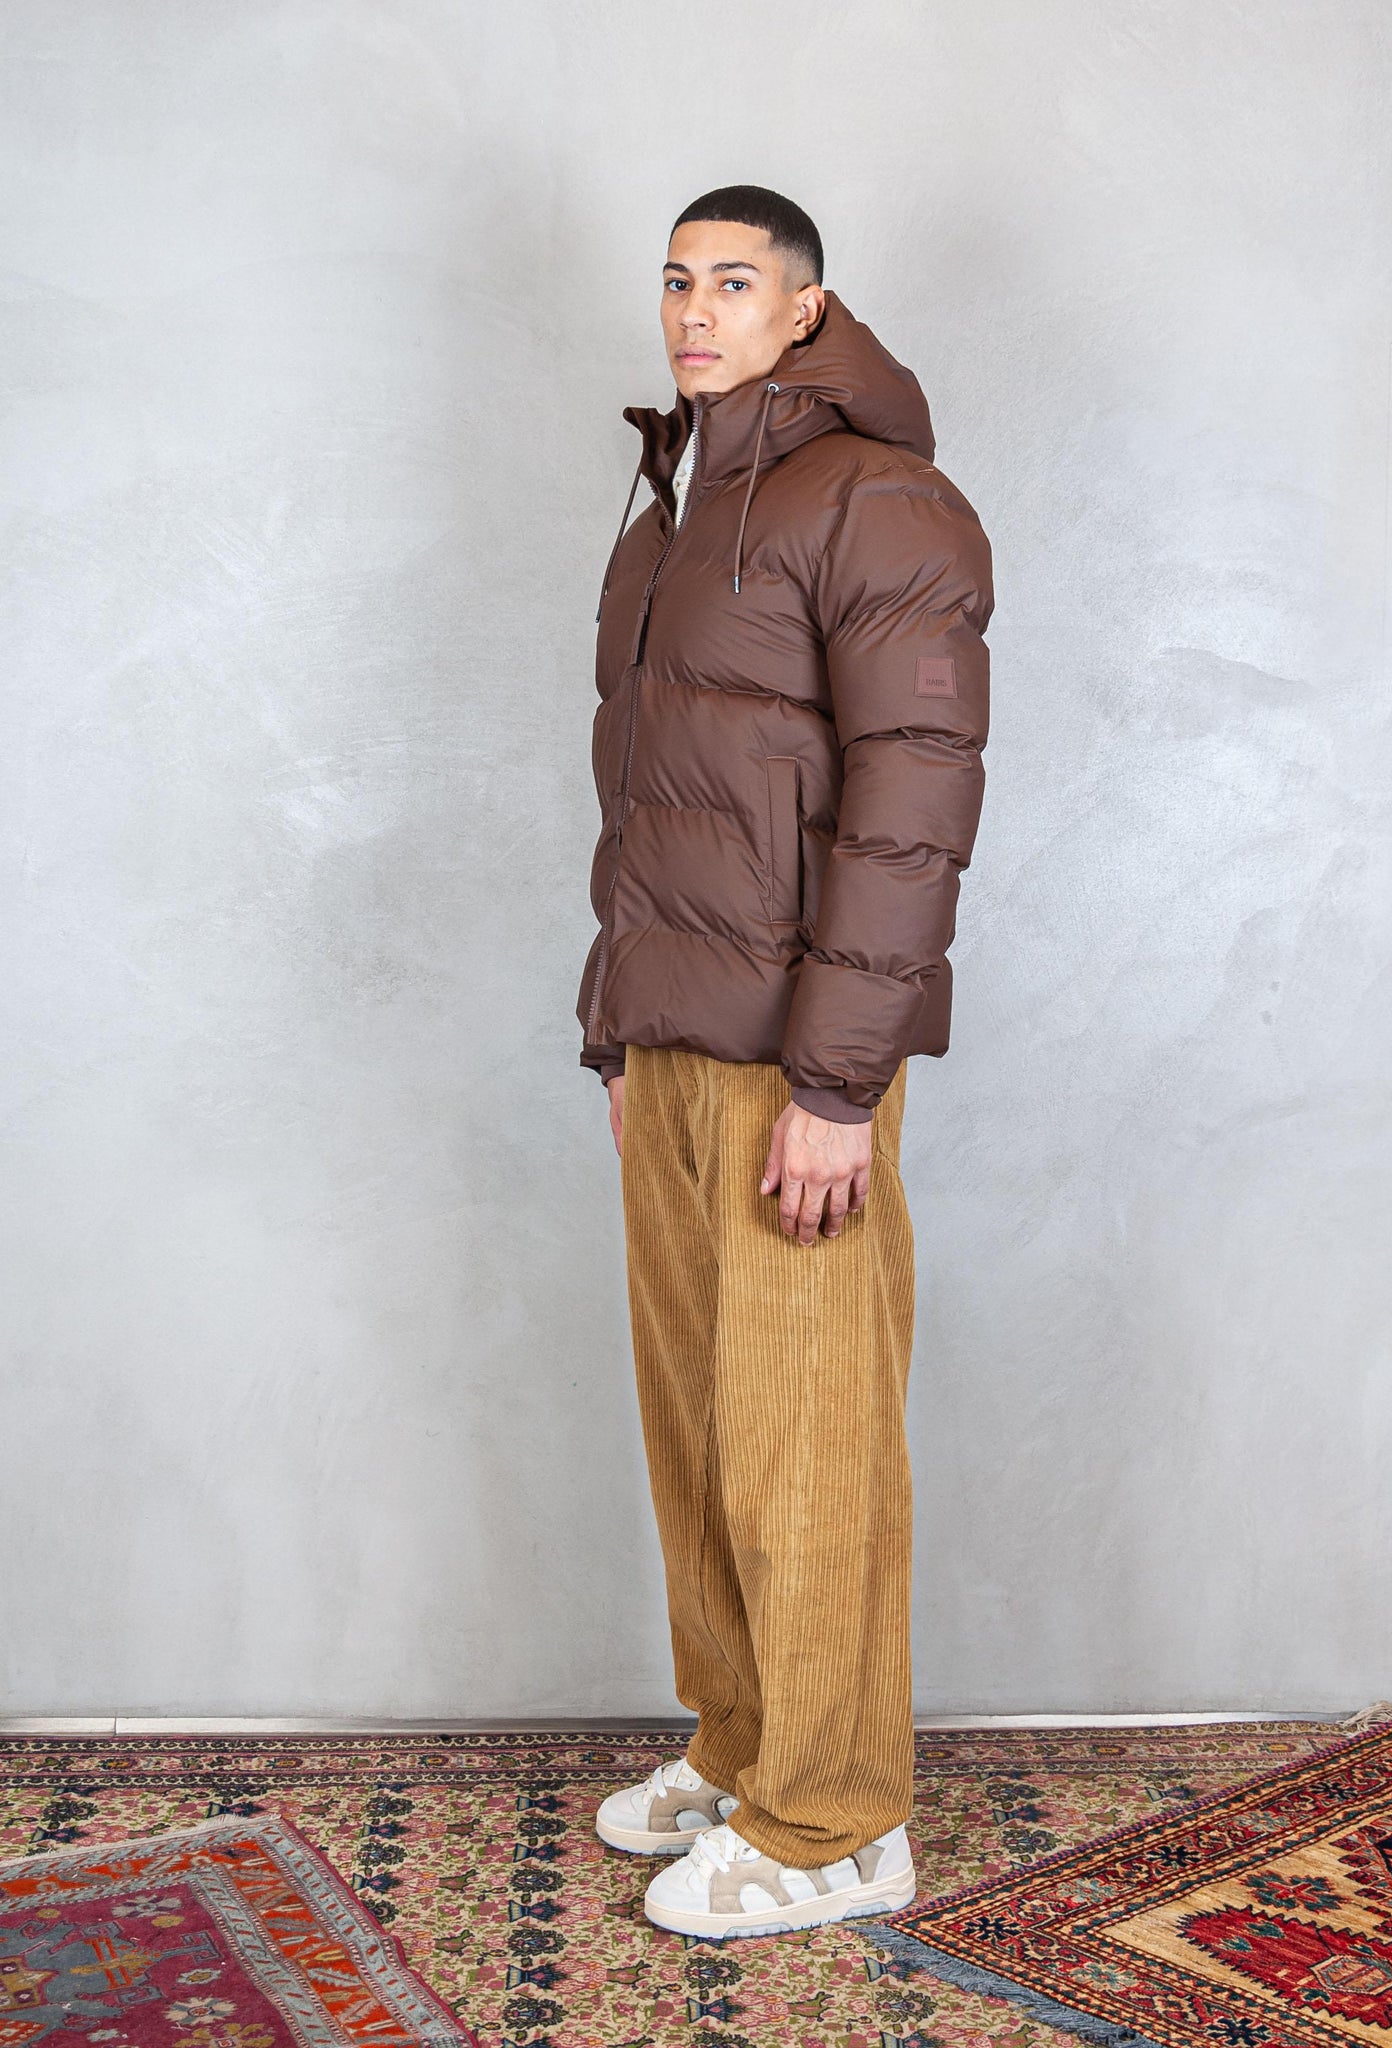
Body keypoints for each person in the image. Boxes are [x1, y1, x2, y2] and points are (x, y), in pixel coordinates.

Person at [577, 184, 993, 1939]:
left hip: (792, 1065)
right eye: (677, 280)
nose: (695, 309)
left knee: (805, 1440)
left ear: (807, 310)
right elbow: (656, 801)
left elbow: (911, 809)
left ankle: (833, 1822)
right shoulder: (676, 504)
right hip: (670, 1040)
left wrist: (835, 1088)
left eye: (735, 282)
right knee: (700, 1432)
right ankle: (744, 1745)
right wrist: (615, 1023)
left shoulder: (878, 500)